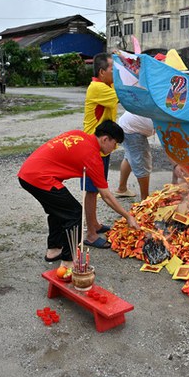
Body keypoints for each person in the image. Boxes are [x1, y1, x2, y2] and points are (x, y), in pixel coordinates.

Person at [18, 120, 140, 266]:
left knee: (58, 210)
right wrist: (128, 216)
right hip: (40, 178)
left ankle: (54, 249)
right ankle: (68, 261)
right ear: (105, 139)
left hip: (27, 173)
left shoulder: (78, 134)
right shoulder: (93, 157)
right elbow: (106, 196)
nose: (115, 148)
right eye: (115, 144)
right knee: (74, 213)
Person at [82, 52, 119, 248]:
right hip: (92, 148)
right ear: (102, 72)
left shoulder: (106, 85)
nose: (116, 72)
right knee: (91, 190)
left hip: (102, 145)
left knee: (95, 189)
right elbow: (123, 95)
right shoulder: (97, 88)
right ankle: (90, 234)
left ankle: (94, 223)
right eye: (113, 69)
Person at [114, 111, 155, 200]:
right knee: (142, 162)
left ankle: (122, 188)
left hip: (127, 124)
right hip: (132, 128)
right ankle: (145, 199)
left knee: (130, 156)